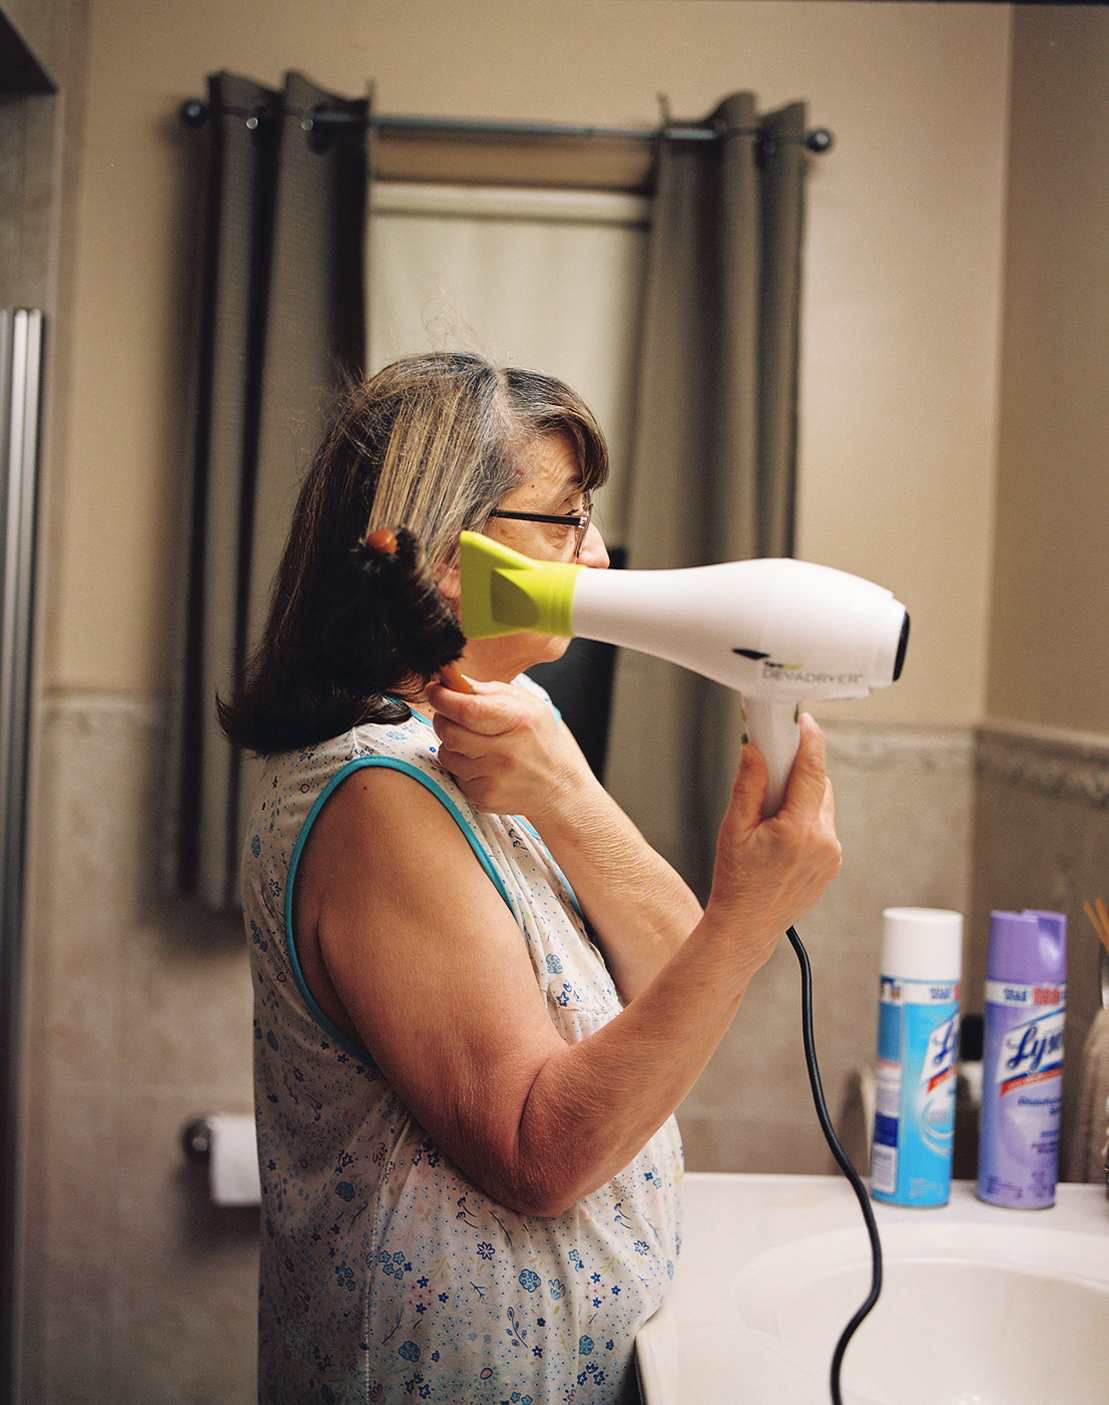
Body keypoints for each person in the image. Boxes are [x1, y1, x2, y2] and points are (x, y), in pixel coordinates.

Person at [221, 351, 841, 1405]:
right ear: (453, 557)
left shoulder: (497, 727)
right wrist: (750, 918)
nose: (597, 555)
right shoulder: (377, 801)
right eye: (567, 518)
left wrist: (569, 795)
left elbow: (665, 965)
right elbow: (532, 1153)